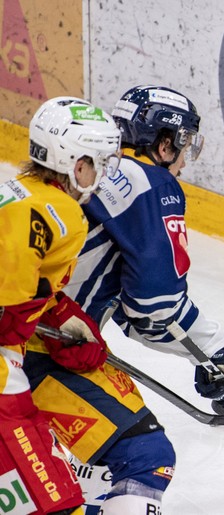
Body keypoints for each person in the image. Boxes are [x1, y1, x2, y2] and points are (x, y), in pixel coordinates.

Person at [24, 85, 224, 513]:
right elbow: (155, 305)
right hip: (39, 350)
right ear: (165, 144)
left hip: (44, 334)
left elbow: (133, 310)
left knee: (96, 466)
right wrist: (218, 351)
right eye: (185, 145)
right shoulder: (152, 183)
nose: (185, 160)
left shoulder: (78, 175)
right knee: (144, 457)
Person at [1, 97, 121, 514]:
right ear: (76, 163)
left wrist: (59, 318)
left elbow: (25, 282)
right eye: (99, 162)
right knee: (54, 500)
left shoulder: (17, 191)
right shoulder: (64, 212)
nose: (102, 174)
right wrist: (18, 317)